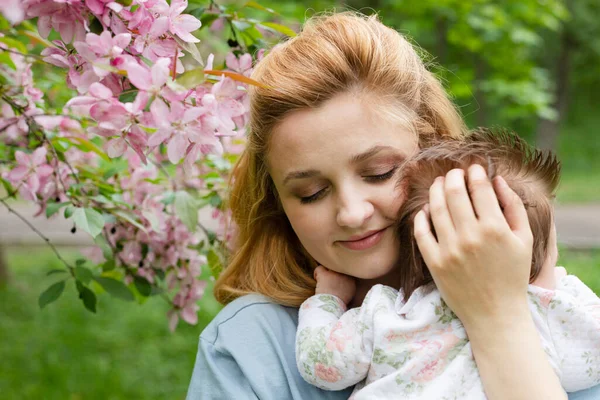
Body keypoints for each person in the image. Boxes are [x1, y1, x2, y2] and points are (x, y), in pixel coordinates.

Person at [186, 12, 600, 399]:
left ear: (434, 148)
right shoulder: (251, 343)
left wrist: (499, 315)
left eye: (380, 172)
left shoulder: (555, 309)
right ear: (278, 204)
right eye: (311, 193)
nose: (351, 213)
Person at [295, 129, 600, 399]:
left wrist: (328, 299)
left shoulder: (387, 314)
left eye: (378, 172)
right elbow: (589, 364)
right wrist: (564, 287)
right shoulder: (549, 313)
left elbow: (322, 364)